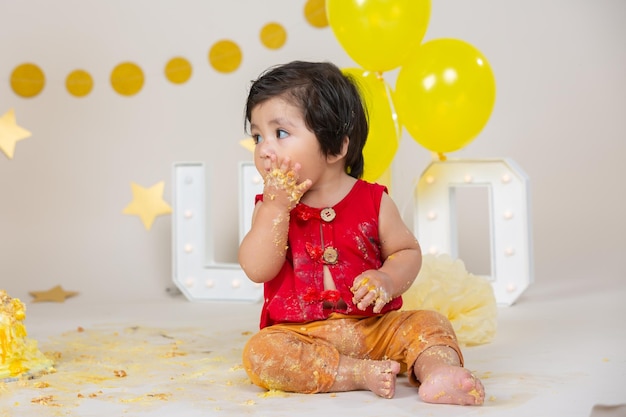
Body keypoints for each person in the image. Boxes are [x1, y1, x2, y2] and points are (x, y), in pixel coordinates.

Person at [238, 60, 484, 405]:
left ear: (336, 147)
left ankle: (438, 371)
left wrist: (387, 278)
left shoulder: (373, 201)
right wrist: (276, 210)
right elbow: (257, 268)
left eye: (280, 133)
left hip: (375, 329)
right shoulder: (270, 209)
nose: (264, 149)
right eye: (257, 136)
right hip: (300, 334)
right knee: (261, 353)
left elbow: (406, 252)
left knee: (428, 323)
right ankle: (353, 373)